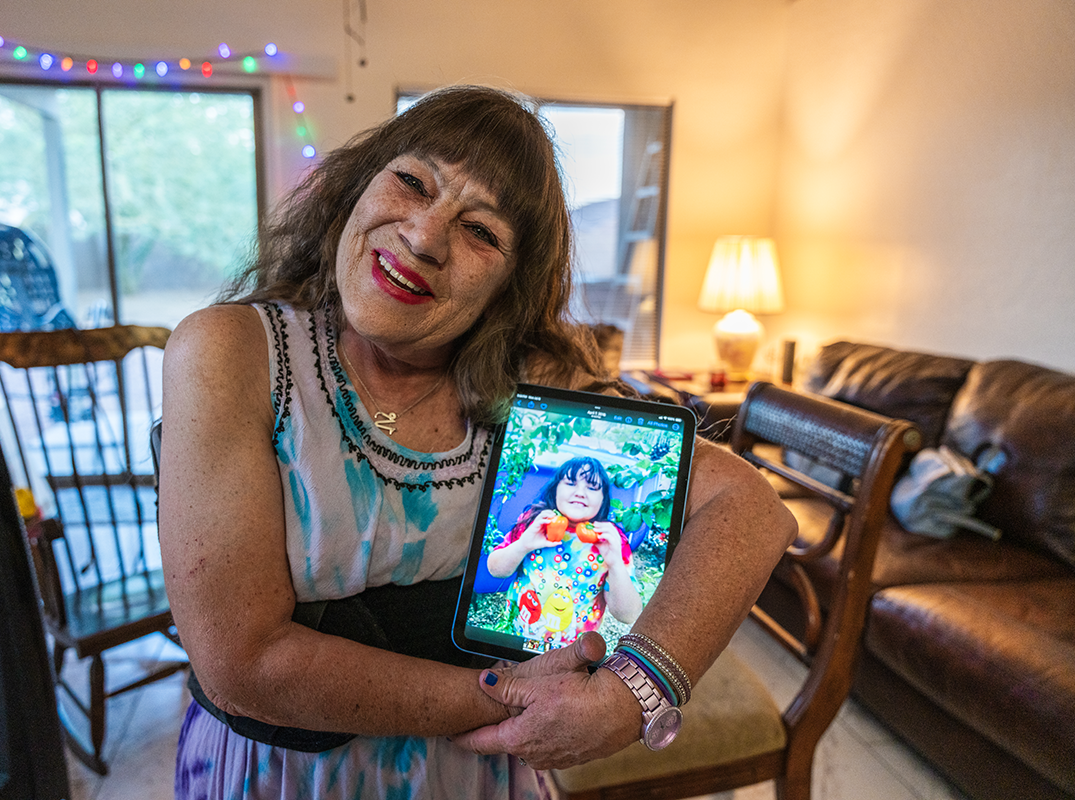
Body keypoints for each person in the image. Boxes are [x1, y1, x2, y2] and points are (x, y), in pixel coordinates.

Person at [158, 84, 796, 800]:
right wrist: (517, 705)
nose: (425, 237)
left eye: (481, 233)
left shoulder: (535, 383)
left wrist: (631, 693)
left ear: (508, 288)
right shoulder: (232, 352)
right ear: (353, 189)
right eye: (411, 182)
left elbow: (751, 508)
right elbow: (242, 662)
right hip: (280, 780)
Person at [486, 456, 641, 645]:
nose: (580, 492)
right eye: (570, 483)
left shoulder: (611, 540)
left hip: (571, 651)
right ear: (555, 489)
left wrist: (615, 562)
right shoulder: (535, 521)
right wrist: (523, 544)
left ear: (603, 499)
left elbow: (628, 615)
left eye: (592, 487)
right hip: (517, 636)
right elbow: (495, 570)